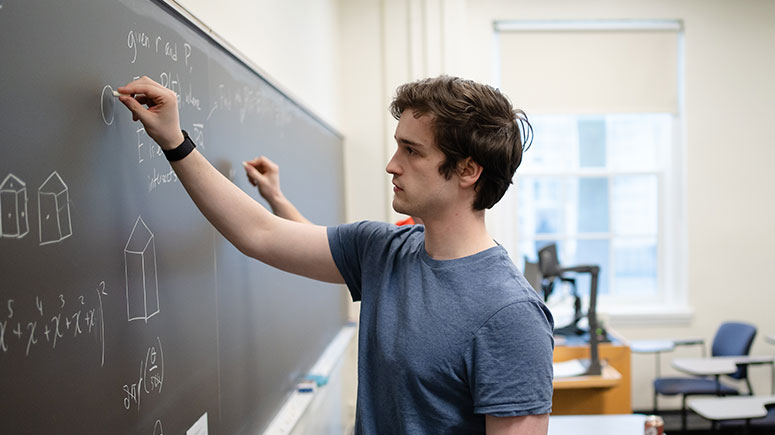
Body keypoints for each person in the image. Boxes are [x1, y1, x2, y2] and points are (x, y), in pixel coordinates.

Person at [117, 75, 554, 434]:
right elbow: (259, 233)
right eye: (397, 146)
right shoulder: (382, 251)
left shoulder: (510, 314)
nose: (392, 164)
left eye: (412, 150)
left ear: (468, 170)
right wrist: (174, 141)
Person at [243, 156, 422, 226]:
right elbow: (312, 242)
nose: (391, 167)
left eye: (412, 150)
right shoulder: (398, 237)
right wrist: (274, 196)